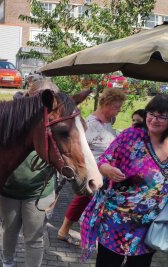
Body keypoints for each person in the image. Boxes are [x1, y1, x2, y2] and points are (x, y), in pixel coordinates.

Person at [81, 93, 168, 267]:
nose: (154, 119)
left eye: (162, 116)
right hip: (117, 219)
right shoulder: (132, 135)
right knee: (108, 263)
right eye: (151, 114)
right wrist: (107, 169)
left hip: (150, 224)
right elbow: (103, 160)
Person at [0, 79, 58, 267]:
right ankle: (7, 263)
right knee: (9, 231)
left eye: (50, 100)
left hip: (40, 192)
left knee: (34, 237)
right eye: (41, 99)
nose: (45, 105)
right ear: (29, 96)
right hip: (9, 189)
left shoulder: (56, 120)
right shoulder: (10, 117)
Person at [57, 88, 126, 246]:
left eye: (120, 107)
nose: (119, 110)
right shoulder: (90, 124)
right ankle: (90, 240)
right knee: (95, 206)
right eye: (116, 107)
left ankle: (65, 231)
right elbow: (79, 150)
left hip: (105, 173)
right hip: (92, 172)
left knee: (81, 201)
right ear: (105, 104)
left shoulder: (110, 121)